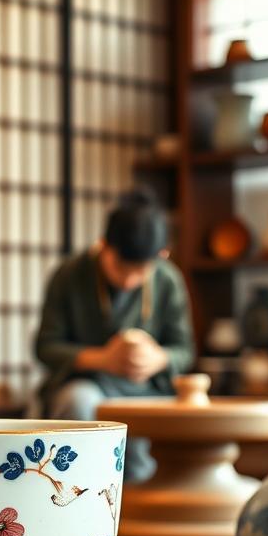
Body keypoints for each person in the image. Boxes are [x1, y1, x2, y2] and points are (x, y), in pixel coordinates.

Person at [35, 189, 196, 481]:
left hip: (149, 390)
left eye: (141, 271)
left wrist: (158, 358)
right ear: (103, 246)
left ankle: (141, 512)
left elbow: (184, 350)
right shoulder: (70, 275)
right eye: (122, 268)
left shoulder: (167, 278)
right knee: (78, 402)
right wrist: (103, 359)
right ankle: (73, 492)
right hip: (90, 385)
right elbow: (45, 347)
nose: (130, 279)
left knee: (166, 429)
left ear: (161, 256)